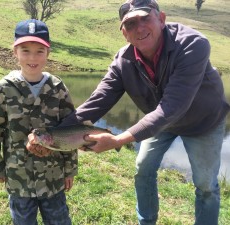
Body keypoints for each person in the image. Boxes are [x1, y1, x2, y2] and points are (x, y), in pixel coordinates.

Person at [27, 0, 230, 224]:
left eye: (146, 18)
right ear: (124, 33)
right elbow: (97, 102)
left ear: (161, 19)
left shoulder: (192, 44)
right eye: (131, 24)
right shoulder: (123, 61)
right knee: (143, 168)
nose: (140, 28)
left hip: (203, 122)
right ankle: (146, 221)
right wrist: (50, 134)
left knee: (205, 185)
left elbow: (173, 106)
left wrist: (118, 140)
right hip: (159, 121)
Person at [0, 19, 78, 225]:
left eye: (39, 51)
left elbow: (70, 131)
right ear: (14, 52)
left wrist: (70, 169)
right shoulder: (3, 89)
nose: (32, 58)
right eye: (25, 50)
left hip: (53, 177)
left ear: (48, 53)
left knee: (59, 221)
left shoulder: (57, 87)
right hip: (19, 178)